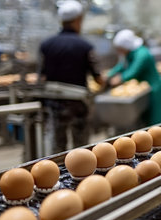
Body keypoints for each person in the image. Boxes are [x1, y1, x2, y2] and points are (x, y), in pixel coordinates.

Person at [39, 0, 103, 153]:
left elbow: (42, 77)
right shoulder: (85, 46)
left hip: (55, 103)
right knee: (81, 149)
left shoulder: (46, 45)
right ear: (78, 20)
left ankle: (57, 174)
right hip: (78, 104)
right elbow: (98, 78)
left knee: (57, 146)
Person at [107, 29, 161, 125]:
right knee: (146, 122)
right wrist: (109, 74)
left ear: (125, 46)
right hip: (144, 89)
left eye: (120, 49)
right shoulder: (129, 54)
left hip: (154, 89)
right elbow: (121, 66)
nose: (119, 51)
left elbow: (133, 71)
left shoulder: (142, 54)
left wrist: (120, 78)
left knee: (157, 122)